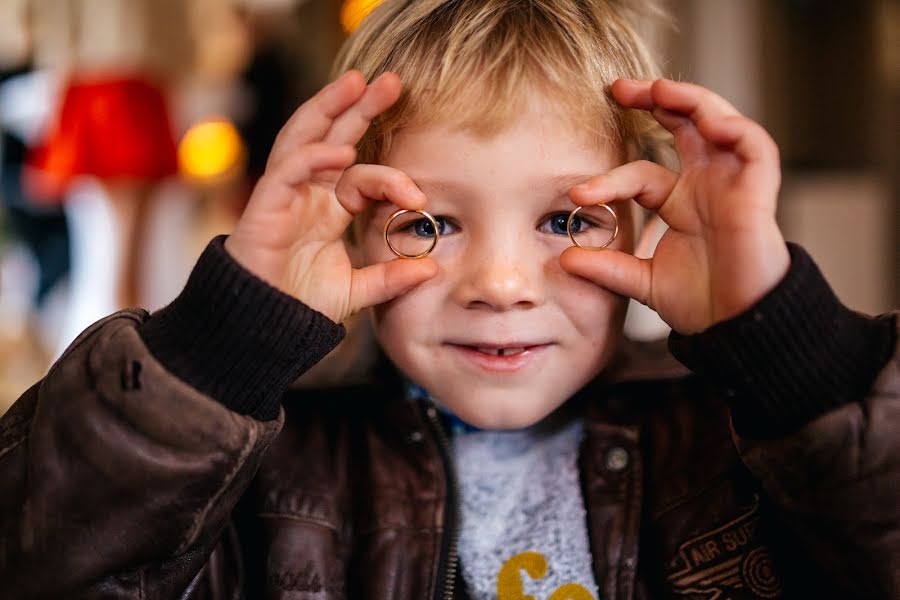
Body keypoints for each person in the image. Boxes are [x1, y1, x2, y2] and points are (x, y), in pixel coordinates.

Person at [1, 1, 897, 598]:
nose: (501, 288)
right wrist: (222, 347)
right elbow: (50, 562)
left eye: (565, 219)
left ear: (642, 219)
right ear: (350, 233)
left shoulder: (746, 437)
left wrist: (788, 349)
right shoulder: (258, 467)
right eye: (428, 226)